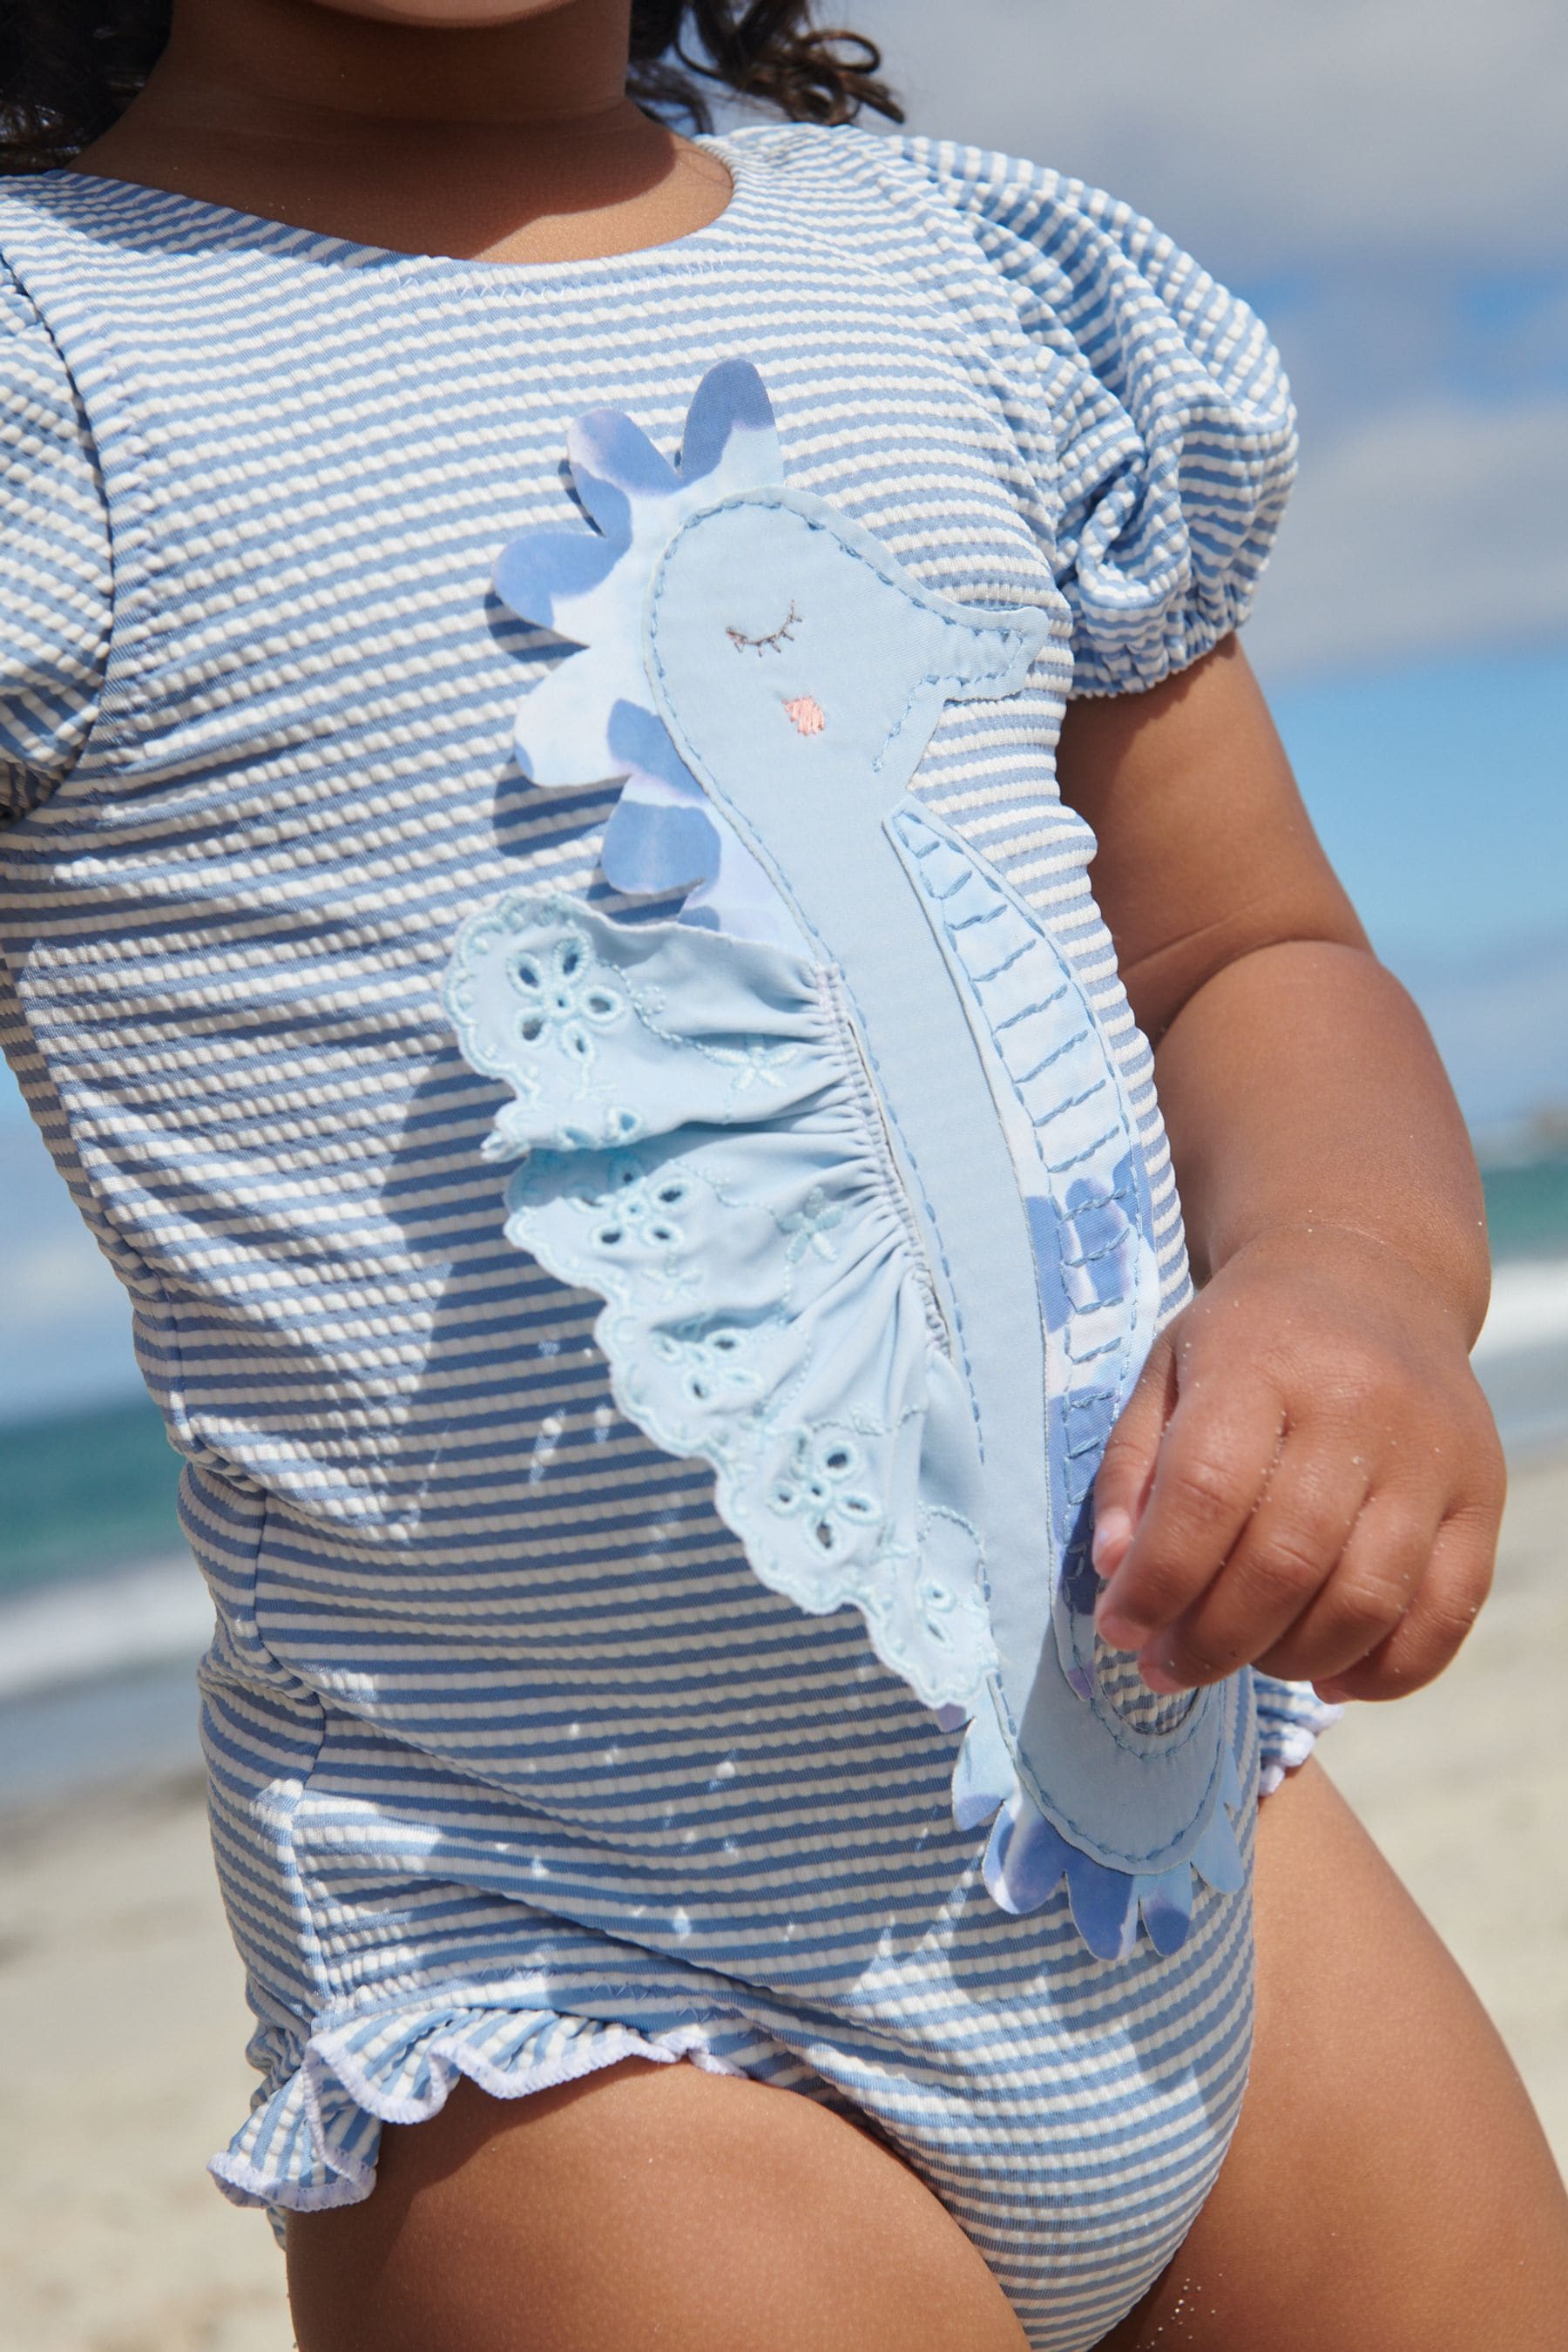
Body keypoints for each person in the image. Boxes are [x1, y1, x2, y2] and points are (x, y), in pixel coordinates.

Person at [1, 3, 1564, 2346]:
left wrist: (1350, 1273)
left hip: (1193, 1838)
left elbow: (1249, 945)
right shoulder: (57, 369)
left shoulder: (964, 281)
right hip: (578, 2007)